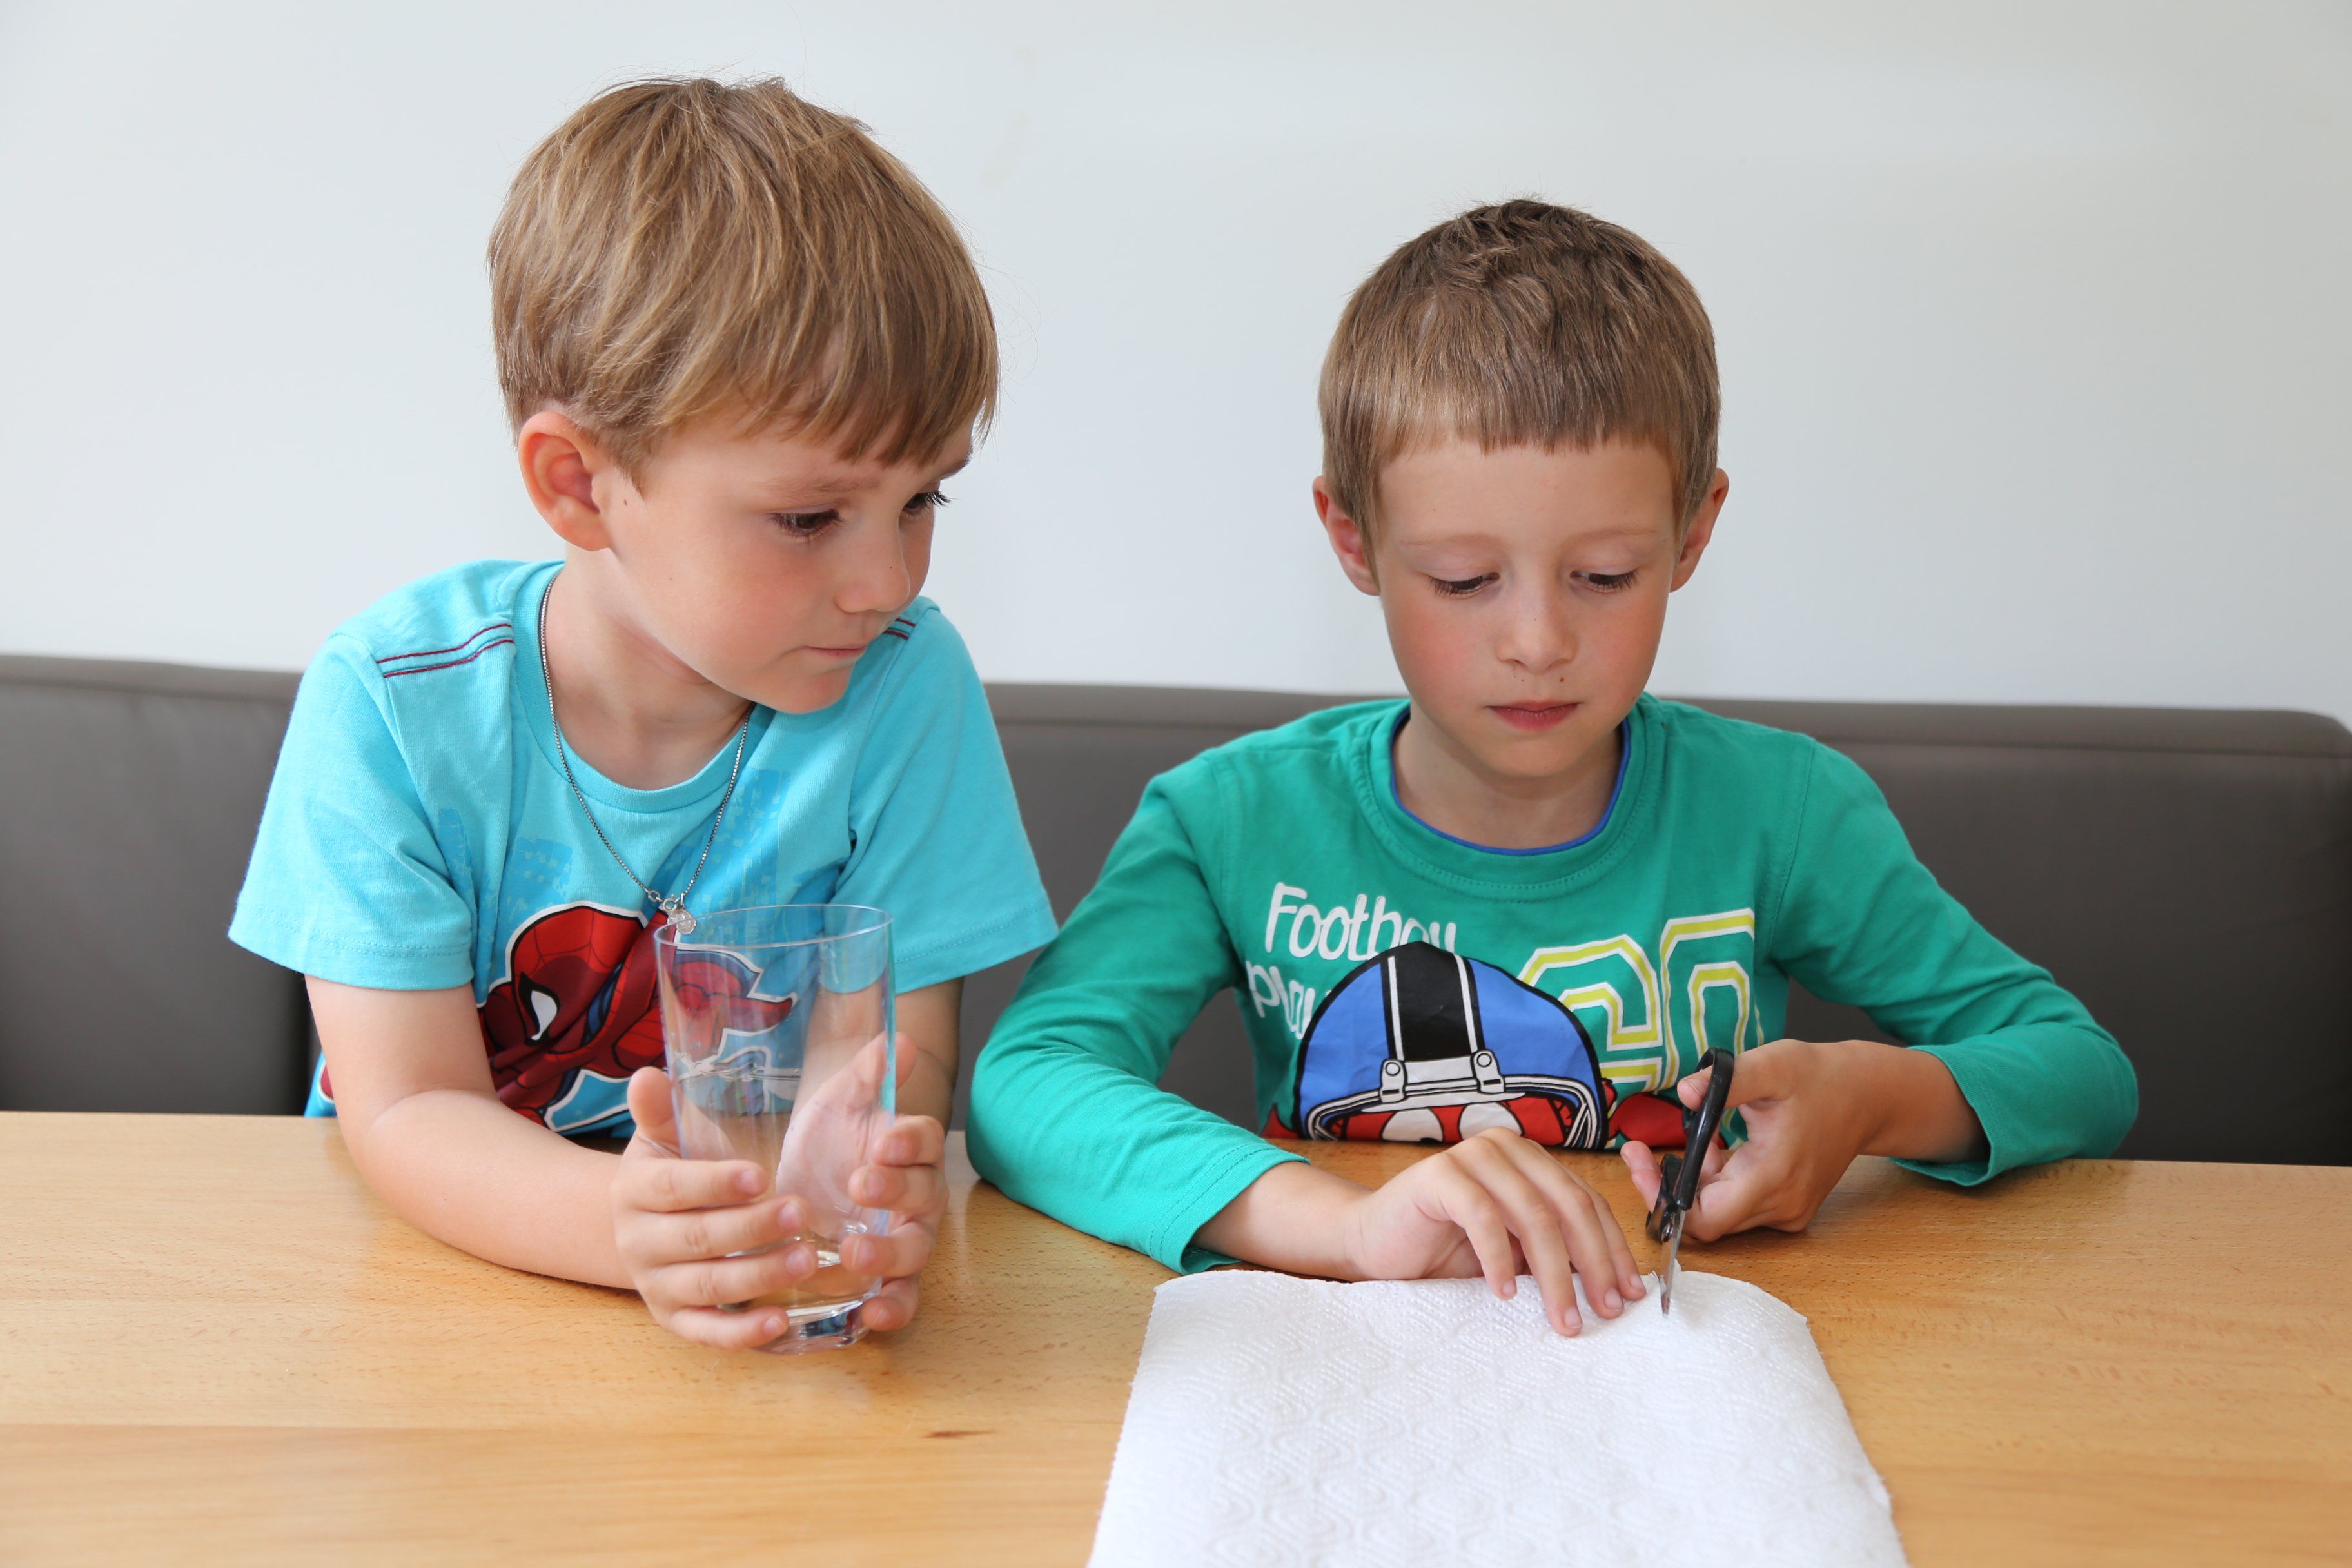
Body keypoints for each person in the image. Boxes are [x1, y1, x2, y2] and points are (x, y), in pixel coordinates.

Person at [968, 200, 2137, 1336]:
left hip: (1668, 1362)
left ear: (1692, 534)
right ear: (1353, 540)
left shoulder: (1784, 813)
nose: (1537, 641)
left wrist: (1871, 1103)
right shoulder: (1228, 820)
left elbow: (2079, 1068)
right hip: (1357, 1369)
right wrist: (1343, 1226)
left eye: (1606, 575)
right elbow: (1029, 1081)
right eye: (1464, 580)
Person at [230, 78, 1057, 1349]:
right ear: (579, 483)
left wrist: (853, 1188)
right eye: (809, 516)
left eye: (921, 501)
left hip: (753, 1306)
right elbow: (404, 1113)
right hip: (434, 1313)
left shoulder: (906, 683)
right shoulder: (391, 703)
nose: (887, 580)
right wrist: (637, 1234)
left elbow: (885, 1059)